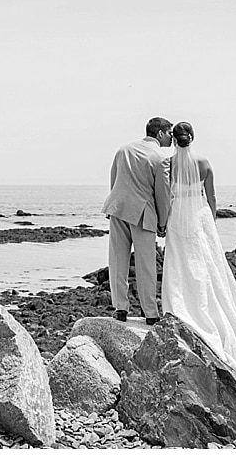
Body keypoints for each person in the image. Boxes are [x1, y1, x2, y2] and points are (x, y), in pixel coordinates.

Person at [160, 121, 236, 382]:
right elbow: (212, 197)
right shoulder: (205, 164)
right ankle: (216, 312)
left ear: (174, 140)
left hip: (177, 217)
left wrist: (163, 220)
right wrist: (212, 221)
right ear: (192, 138)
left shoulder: (168, 165)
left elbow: (164, 196)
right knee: (209, 266)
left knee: (180, 263)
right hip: (200, 216)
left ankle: (181, 306)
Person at [100, 117, 173, 324]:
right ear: (160, 133)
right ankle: (150, 313)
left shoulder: (123, 149)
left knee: (117, 261)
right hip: (143, 213)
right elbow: (162, 193)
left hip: (118, 208)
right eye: (169, 133)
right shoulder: (161, 158)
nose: (171, 138)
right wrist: (163, 221)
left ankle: (120, 309)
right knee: (146, 265)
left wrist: (113, 203)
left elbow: (114, 179)